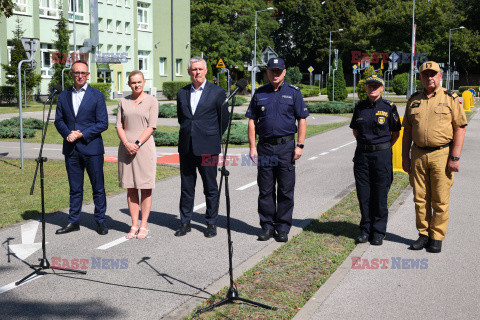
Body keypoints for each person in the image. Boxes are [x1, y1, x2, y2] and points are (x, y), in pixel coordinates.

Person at [402, 61, 467, 253]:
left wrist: (455, 157)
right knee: (420, 198)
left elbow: (460, 128)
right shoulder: (413, 100)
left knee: (440, 199)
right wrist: (405, 157)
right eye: (425, 74)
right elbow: (407, 131)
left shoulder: (450, 98)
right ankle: (424, 234)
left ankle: (437, 237)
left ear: (440, 77)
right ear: (420, 78)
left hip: (442, 154)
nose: (429, 77)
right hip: (418, 154)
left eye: (433, 74)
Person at [246, 57, 309, 243]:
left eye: (278, 70)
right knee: (265, 189)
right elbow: (252, 120)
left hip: (286, 147)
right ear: (267, 72)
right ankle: (266, 226)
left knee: (285, 190)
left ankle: (282, 227)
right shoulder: (259, 93)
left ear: (284, 72)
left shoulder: (294, 93)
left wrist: (300, 145)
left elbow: (302, 119)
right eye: (272, 70)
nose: (275, 73)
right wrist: (252, 147)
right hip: (265, 147)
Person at [175, 56, 228, 238]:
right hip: (187, 147)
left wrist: (211, 137)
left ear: (205, 71)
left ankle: (211, 223)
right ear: (189, 72)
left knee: (210, 187)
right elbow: (182, 118)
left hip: (208, 147)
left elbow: (224, 120)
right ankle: (185, 222)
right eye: (193, 69)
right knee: (187, 187)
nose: (196, 72)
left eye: (200, 69)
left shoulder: (217, 92)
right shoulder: (182, 93)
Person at [54, 60, 109, 235]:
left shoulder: (97, 96)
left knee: (97, 188)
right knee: (75, 188)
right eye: (76, 73)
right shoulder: (63, 96)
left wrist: (81, 134)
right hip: (72, 150)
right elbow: (58, 120)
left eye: (83, 73)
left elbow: (103, 123)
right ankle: (73, 221)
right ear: (71, 74)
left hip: (92, 149)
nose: (80, 76)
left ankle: (100, 221)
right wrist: (68, 134)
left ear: (88, 75)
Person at [350, 74, 401, 246]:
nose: (372, 88)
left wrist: (382, 147)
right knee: (364, 194)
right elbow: (356, 130)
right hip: (362, 155)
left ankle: (378, 232)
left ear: (382, 88)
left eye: (376, 85)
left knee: (380, 194)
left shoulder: (389, 107)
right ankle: (365, 230)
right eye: (370, 85)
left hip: (381, 156)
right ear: (366, 88)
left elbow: (395, 133)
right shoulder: (360, 107)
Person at [116, 71, 158, 239]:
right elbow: (119, 125)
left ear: (144, 82)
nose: (137, 85)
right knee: (131, 187)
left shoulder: (152, 101)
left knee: (145, 187)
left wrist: (137, 144)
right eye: (133, 82)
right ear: (128, 84)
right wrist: (127, 143)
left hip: (144, 148)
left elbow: (151, 126)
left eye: (139, 82)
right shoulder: (123, 101)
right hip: (126, 149)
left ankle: (144, 225)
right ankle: (134, 224)